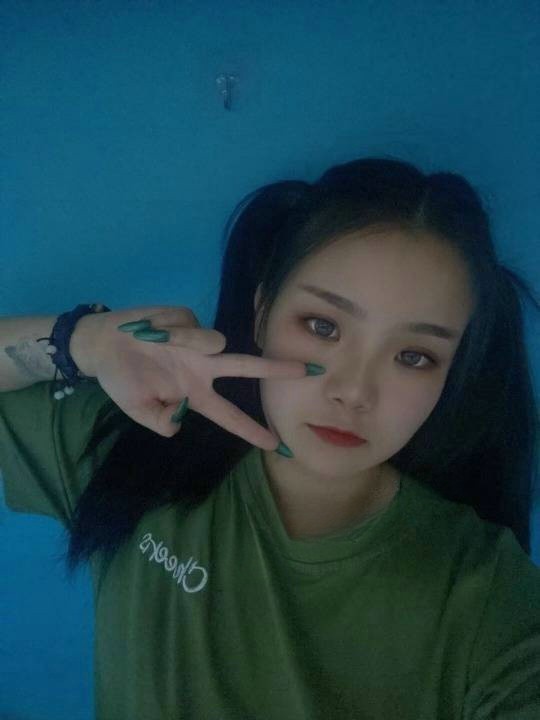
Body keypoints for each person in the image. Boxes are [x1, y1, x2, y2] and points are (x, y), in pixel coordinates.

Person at [1, 156, 539, 719]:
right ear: (261, 314)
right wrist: (80, 342)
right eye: (323, 327)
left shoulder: (485, 595)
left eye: (414, 356)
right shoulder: (134, 446)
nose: (354, 391)